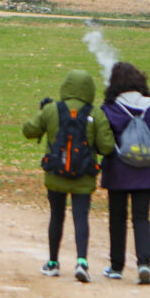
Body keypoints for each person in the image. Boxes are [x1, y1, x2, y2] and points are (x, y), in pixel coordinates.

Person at [22, 70, 114, 283]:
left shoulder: (53, 110)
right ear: (90, 89)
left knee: (57, 215)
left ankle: (53, 262)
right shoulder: (96, 114)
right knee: (81, 217)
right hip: (84, 175)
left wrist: (44, 112)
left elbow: (29, 130)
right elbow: (107, 146)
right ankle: (82, 261)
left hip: (55, 174)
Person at [100, 62, 150, 285]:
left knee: (117, 219)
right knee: (141, 218)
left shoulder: (109, 108)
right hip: (146, 172)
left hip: (117, 171)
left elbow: (104, 144)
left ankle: (116, 266)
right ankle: (143, 264)